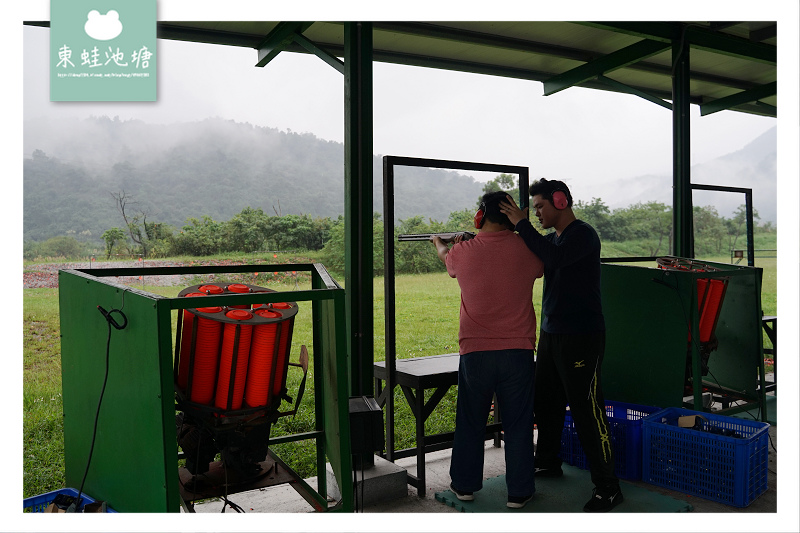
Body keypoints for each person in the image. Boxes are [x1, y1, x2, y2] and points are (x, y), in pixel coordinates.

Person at [499, 179, 623, 513]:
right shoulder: (555, 238)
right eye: (534, 208)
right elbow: (540, 255)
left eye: (539, 206)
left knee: (587, 409)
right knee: (546, 401)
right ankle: (548, 461)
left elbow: (553, 259)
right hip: (553, 334)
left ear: (560, 201)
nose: (536, 213)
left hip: (582, 335)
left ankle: (608, 487)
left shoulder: (582, 234)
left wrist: (521, 224)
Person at [431, 190, 544, 509]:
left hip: (475, 353)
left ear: (480, 217)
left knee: (470, 420)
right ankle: (520, 492)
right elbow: (538, 267)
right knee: (519, 422)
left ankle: (464, 486)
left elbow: (444, 256)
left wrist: (440, 241)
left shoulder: (462, 251)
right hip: (518, 351)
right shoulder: (527, 247)